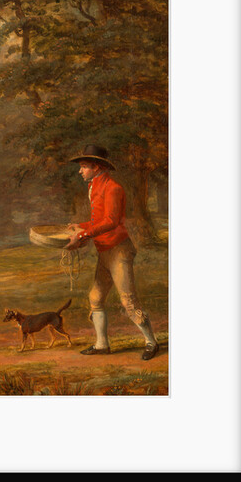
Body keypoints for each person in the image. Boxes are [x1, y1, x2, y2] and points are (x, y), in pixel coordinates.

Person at [65, 145, 159, 360]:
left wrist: (82, 235)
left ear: (96, 167)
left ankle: (151, 343)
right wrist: (80, 226)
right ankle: (101, 345)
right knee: (95, 297)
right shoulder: (94, 186)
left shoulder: (113, 187)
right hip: (105, 251)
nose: (80, 171)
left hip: (119, 251)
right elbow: (98, 220)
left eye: (84, 166)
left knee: (129, 301)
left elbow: (111, 221)